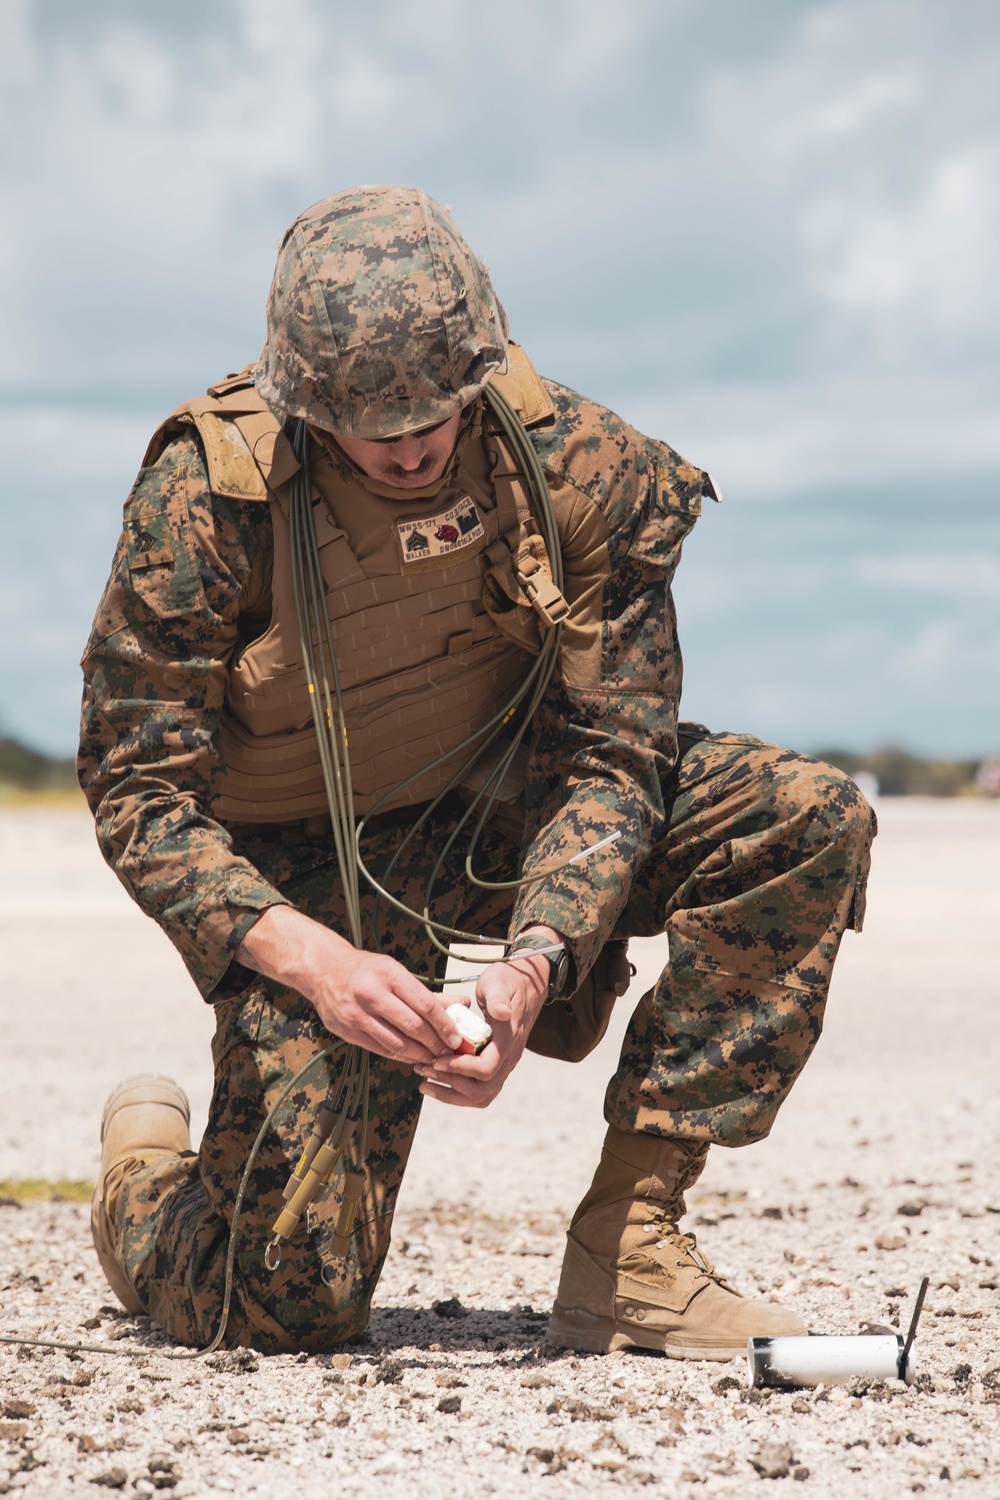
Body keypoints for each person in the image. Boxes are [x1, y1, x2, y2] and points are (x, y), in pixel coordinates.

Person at [79, 184, 874, 1358]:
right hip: (309, 869)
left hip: (510, 806)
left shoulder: (586, 469)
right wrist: (317, 964)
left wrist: (540, 964)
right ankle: (143, 1187)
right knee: (289, 1304)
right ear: (306, 404)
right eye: (368, 420)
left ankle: (632, 1250)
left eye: (435, 411)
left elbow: (610, 757)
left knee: (798, 819)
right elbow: (139, 787)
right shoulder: (209, 495)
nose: (408, 445)